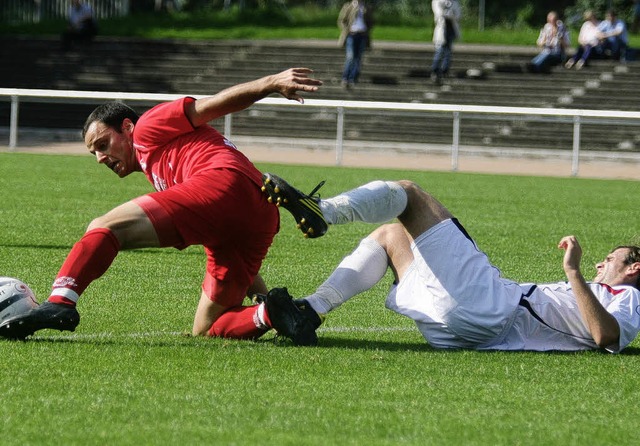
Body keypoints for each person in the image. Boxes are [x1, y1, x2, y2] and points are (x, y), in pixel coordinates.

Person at [0, 68, 323, 346]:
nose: (100, 158)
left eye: (103, 145)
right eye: (93, 153)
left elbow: (212, 104)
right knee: (209, 327)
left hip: (223, 182)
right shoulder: (163, 169)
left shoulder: (148, 126)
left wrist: (269, 83)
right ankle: (271, 313)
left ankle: (59, 302)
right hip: (257, 212)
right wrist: (261, 297)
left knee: (105, 226)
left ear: (126, 127)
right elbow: (222, 222)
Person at [260, 174, 640, 352]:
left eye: (611, 258)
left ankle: (324, 211)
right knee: (390, 236)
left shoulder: (626, 296)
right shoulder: (605, 293)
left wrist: (573, 271)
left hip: (491, 308)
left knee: (409, 194)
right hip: (467, 330)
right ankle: (309, 311)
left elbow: (606, 337)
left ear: (634, 268)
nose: (599, 264)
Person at [337, 0, 374, 89]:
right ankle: (345, 77)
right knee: (350, 56)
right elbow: (342, 20)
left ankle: (353, 78)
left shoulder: (366, 7)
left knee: (358, 57)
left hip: (362, 35)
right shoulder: (348, 6)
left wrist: (367, 30)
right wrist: (347, 29)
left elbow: (371, 21)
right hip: (351, 35)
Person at [430, 0, 462, 86]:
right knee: (439, 50)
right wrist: (448, 13)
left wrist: (451, 14)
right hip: (442, 29)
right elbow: (439, 13)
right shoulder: (437, 1)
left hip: (451, 30)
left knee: (448, 52)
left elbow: (458, 15)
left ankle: (445, 70)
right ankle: (435, 70)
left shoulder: (455, 2)